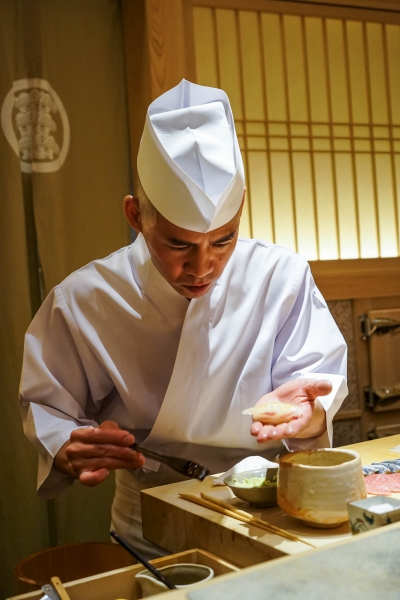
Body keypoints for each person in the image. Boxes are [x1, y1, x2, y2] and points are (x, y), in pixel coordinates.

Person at [20, 80, 347, 557]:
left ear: (241, 208)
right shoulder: (86, 298)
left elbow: (315, 388)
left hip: (270, 512)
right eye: (178, 244)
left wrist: (308, 416)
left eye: (224, 240)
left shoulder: (281, 276)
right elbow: (47, 406)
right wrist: (67, 446)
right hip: (149, 522)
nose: (202, 267)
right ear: (136, 215)